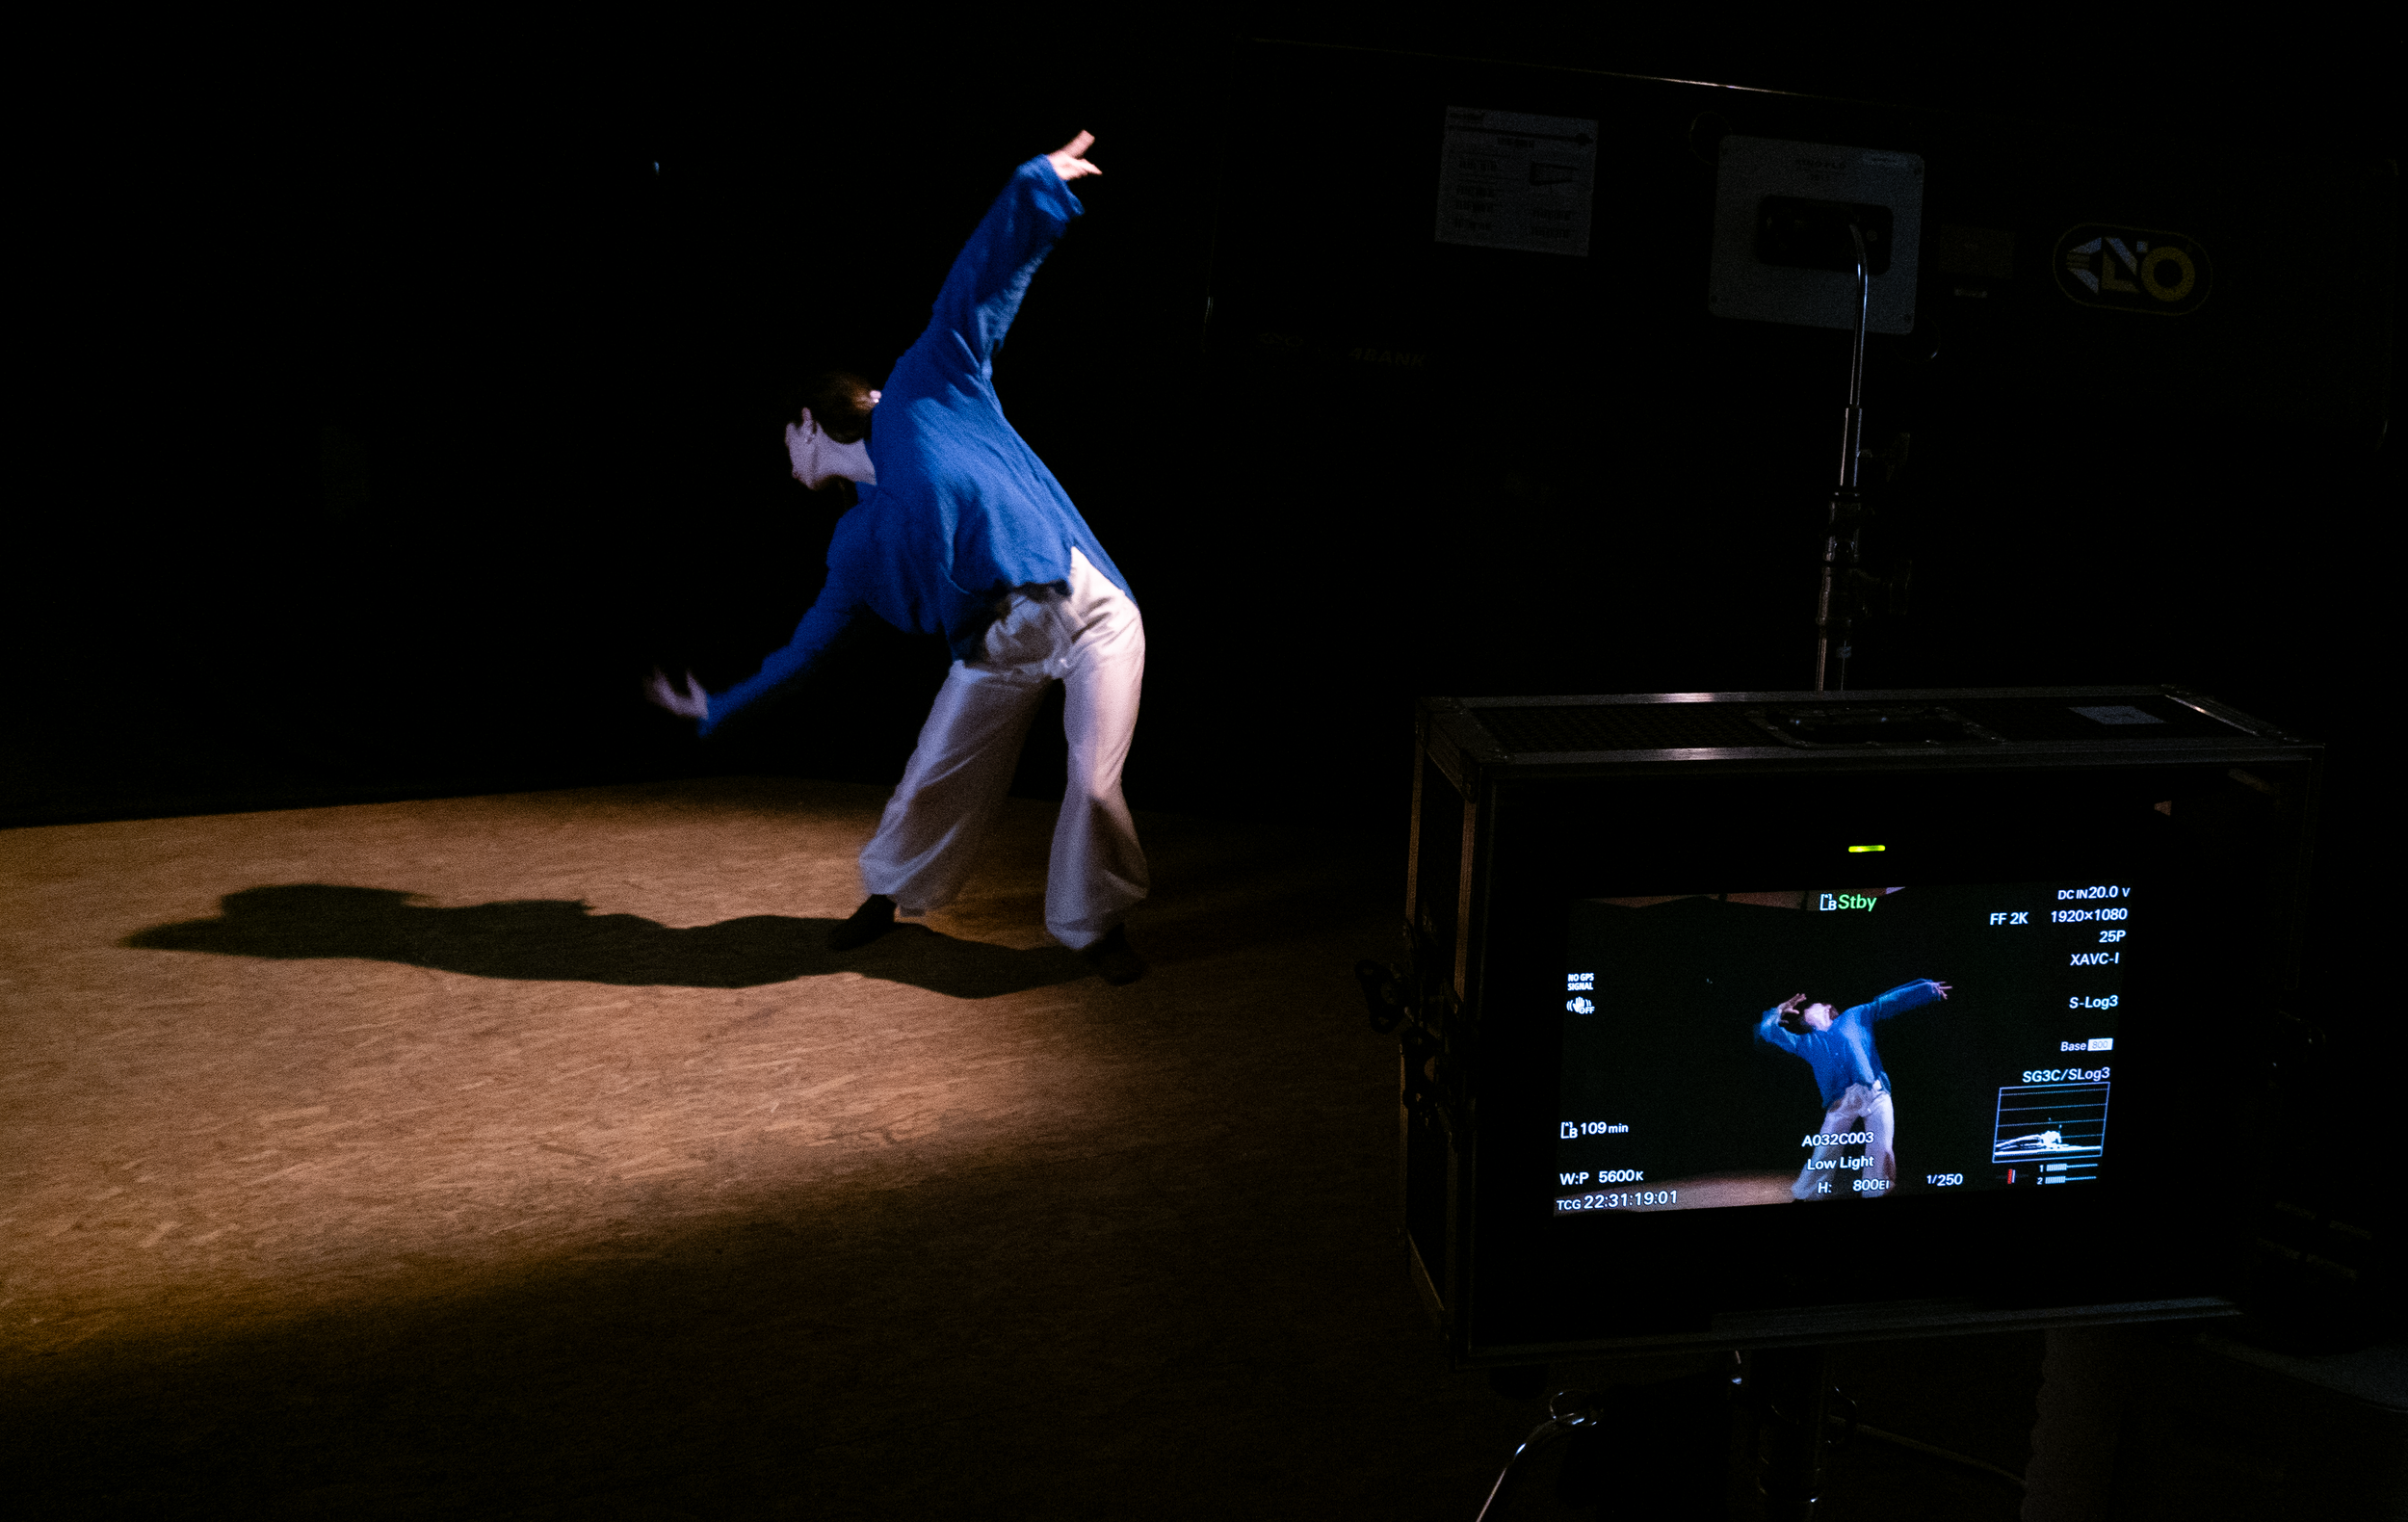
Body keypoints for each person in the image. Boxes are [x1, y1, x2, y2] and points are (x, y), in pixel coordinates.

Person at [645, 132, 1149, 984]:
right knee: (935, 772)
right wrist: (719, 707)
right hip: (999, 643)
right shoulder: (855, 544)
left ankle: (1091, 926)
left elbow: (979, 283)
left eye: (784, 440)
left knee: (1094, 786)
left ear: (807, 422)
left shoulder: (926, 387)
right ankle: (889, 895)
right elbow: (805, 653)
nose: (786, 462)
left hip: (1091, 609)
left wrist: (1034, 184)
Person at [1755, 979, 1951, 1199]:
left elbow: (1886, 1003)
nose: (1806, 1007)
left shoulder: (1853, 1016)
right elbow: (1768, 1032)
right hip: (1840, 1102)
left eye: (1812, 1004)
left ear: (1827, 1008)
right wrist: (1778, 1010)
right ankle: (1807, 1194)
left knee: (1882, 1148)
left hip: (1874, 1092)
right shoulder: (1806, 1043)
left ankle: (1875, 1193)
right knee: (1824, 1149)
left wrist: (1926, 990)